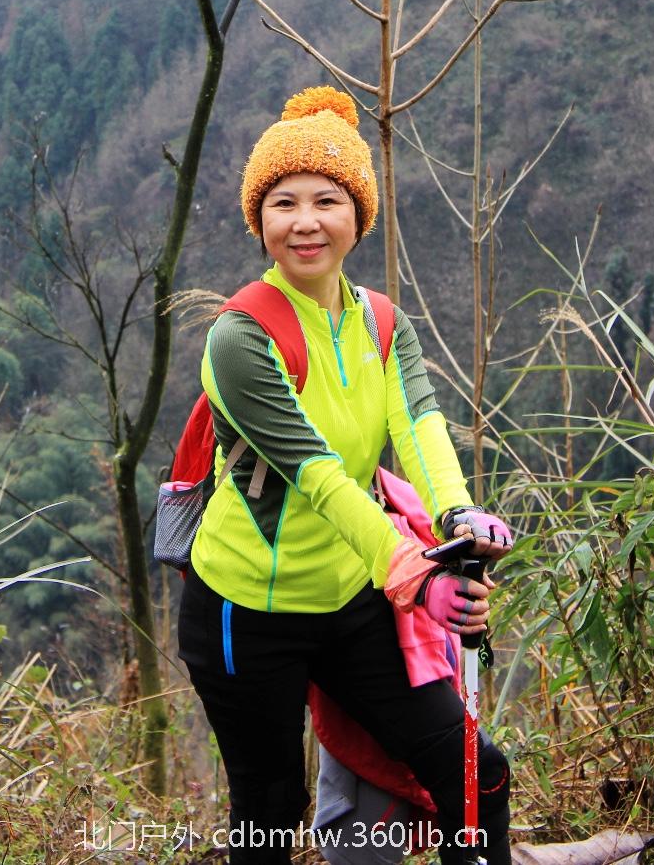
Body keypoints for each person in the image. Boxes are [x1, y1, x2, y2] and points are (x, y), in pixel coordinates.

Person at [177, 87, 514, 864]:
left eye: (326, 201)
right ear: (259, 219)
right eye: (283, 203)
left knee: (476, 775)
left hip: (350, 598)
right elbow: (318, 477)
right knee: (269, 808)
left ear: (358, 216)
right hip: (244, 613)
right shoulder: (240, 338)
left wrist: (458, 517)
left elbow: (419, 426)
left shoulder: (382, 322)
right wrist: (417, 576)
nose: (305, 222)